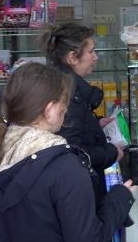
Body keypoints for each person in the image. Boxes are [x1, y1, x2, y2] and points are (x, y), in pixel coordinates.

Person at [0, 63, 136, 241]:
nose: (65, 108)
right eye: (64, 102)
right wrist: (119, 199)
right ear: (49, 110)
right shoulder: (65, 167)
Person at [36, 23, 123, 204]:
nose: (96, 57)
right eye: (91, 52)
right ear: (72, 58)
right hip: (78, 191)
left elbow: (70, 128)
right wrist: (111, 153)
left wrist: (94, 124)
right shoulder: (68, 94)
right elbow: (73, 153)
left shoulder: (62, 83)